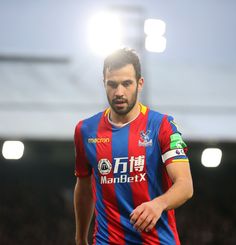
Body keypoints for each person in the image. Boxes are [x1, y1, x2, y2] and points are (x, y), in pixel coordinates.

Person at [74, 48, 193, 245]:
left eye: (126, 84)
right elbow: (84, 187)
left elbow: (185, 185)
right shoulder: (85, 131)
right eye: (112, 84)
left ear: (140, 83)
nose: (119, 92)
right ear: (103, 83)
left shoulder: (162, 125)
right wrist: (79, 238)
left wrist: (159, 204)